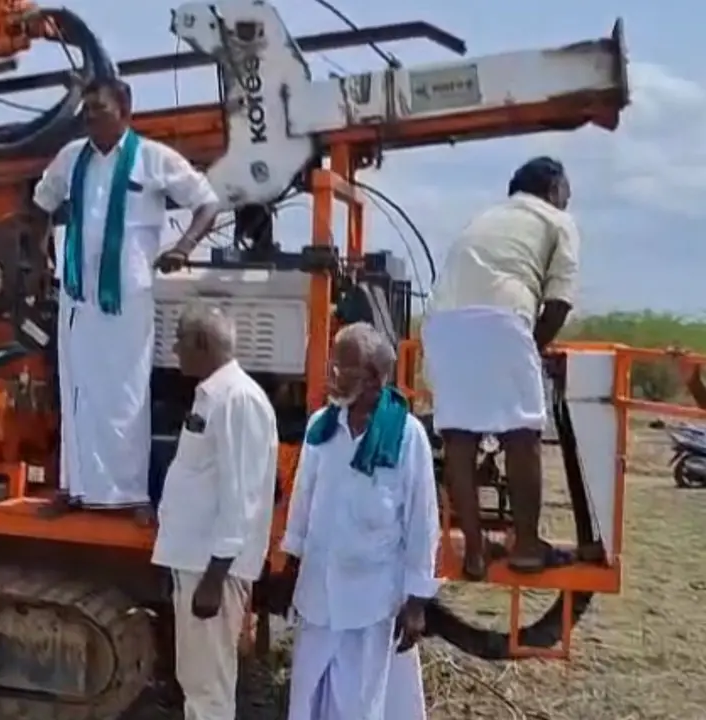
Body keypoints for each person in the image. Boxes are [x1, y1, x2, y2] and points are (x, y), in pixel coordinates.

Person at [28, 76, 220, 522]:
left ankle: (131, 495)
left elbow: (207, 203)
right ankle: (73, 489)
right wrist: (42, 255)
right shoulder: (71, 158)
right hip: (77, 297)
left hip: (128, 296)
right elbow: (40, 204)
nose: (91, 117)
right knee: (77, 392)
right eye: (87, 110)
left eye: (100, 109)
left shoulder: (153, 158)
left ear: (126, 110)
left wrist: (184, 247)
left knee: (126, 393)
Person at [421, 156, 580, 579]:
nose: (569, 198)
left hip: (442, 322)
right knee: (522, 432)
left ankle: (474, 550)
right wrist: (532, 347)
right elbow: (558, 303)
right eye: (566, 190)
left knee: (458, 432)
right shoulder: (557, 221)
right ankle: (527, 546)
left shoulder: (487, 217)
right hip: (503, 316)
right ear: (552, 189)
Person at [281, 322, 440, 720]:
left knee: (357, 706)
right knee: (306, 700)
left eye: (343, 369)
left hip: (370, 599)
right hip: (318, 593)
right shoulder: (323, 426)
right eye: (332, 365)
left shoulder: (406, 434)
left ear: (373, 379)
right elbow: (304, 499)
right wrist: (290, 565)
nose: (332, 375)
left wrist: (417, 602)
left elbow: (422, 521)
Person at [150, 303, 278, 720]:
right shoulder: (214, 396)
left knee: (209, 689)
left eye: (180, 340)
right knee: (198, 682)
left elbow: (241, 496)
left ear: (202, 343)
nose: (174, 349)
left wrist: (214, 578)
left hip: (212, 570)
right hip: (198, 564)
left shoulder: (237, 399)